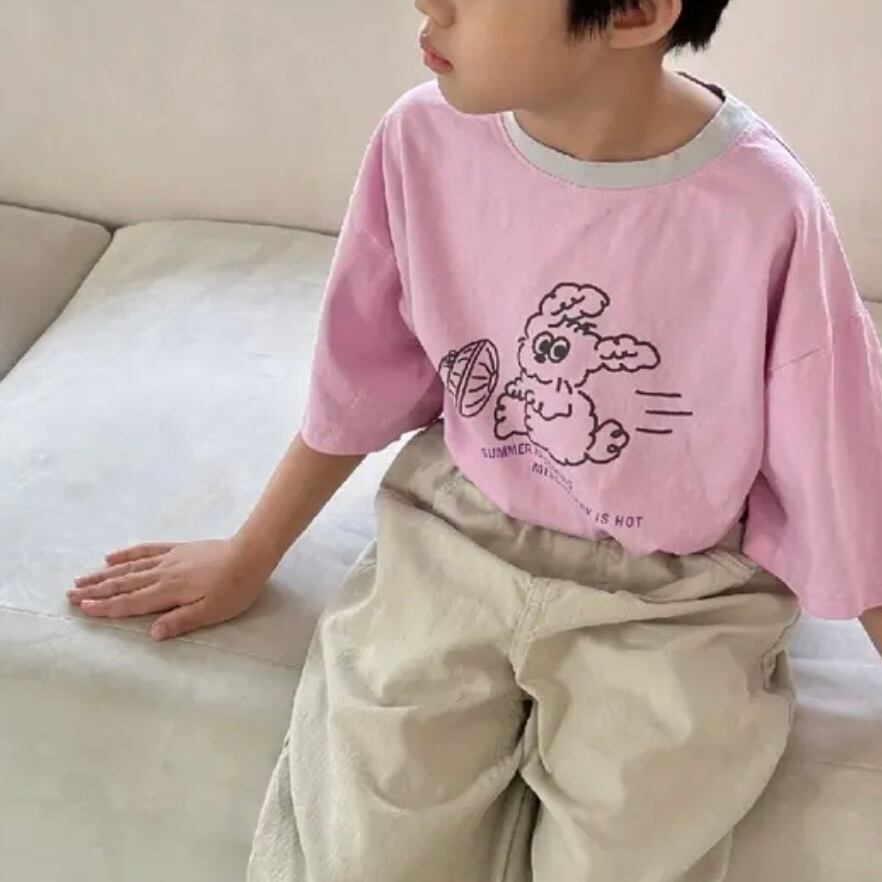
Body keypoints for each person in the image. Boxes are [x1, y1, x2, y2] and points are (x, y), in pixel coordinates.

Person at [68, 1, 882, 879]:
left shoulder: (762, 208)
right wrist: (249, 553)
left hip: (675, 594)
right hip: (455, 537)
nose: (429, 3)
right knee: (364, 848)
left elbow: (836, 462)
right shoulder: (421, 141)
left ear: (636, 11)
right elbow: (361, 378)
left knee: (632, 842)